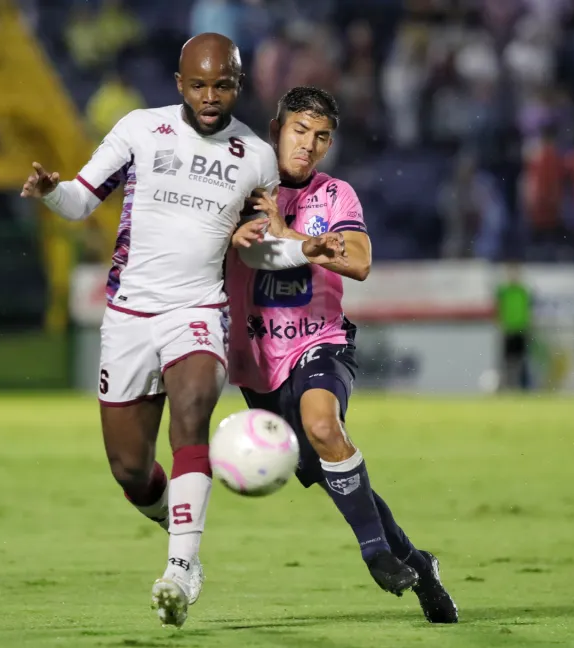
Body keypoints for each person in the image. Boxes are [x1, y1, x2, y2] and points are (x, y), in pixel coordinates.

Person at [20, 34, 346, 628]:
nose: (210, 96)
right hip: (129, 317)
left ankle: (181, 567)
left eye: (222, 84)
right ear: (179, 84)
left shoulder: (256, 155)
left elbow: (260, 252)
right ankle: (180, 523)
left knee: (193, 412)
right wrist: (50, 193)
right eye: (198, 85)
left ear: (237, 85)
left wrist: (302, 251)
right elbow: (78, 202)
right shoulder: (138, 130)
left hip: (197, 310)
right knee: (129, 469)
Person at [226, 87, 458, 623]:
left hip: (320, 341)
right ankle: (418, 565)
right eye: (299, 131)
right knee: (336, 477)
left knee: (324, 426)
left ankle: (375, 554)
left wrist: (294, 235)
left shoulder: (336, 196)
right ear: (276, 128)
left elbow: (358, 261)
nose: (309, 145)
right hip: (258, 365)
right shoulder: (242, 190)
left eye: (321, 136)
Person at [496, 263, 532, 391]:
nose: (513, 277)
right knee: (507, 360)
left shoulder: (523, 291)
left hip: (521, 329)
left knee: (521, 359)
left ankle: (519, 386)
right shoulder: (503, 291)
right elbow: (498, 308)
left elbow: (528, 310)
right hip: (508, 329)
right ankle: (507, 386)